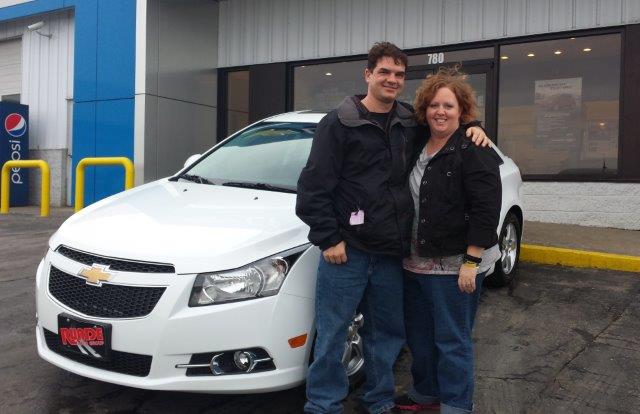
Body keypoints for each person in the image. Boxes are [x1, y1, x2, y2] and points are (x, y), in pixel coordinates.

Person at [296, 43, 491, 414]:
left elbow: (443, 121)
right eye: (384, 72)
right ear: (368, 75)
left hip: (389, 254)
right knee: (333, 334)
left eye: (399, 74)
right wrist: (328, 238)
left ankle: (379, 400)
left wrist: (473, 126)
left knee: (386, 336)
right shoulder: (338, 123)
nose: (392, 79)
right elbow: (312, 190)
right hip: (346, 252)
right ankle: (323, 404)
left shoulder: (407, 122)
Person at [394, 67, 502, 414]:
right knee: (421, 338)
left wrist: (471, 262)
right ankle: (426, 393)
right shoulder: (416, 144)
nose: (440, 111)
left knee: (452, 340)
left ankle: (456, 404)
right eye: (434, 105)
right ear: (424, 109)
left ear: (463, 111)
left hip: (457, 264)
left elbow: (487, 209)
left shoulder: (474, 147)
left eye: (449, 106)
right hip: (415, 261)